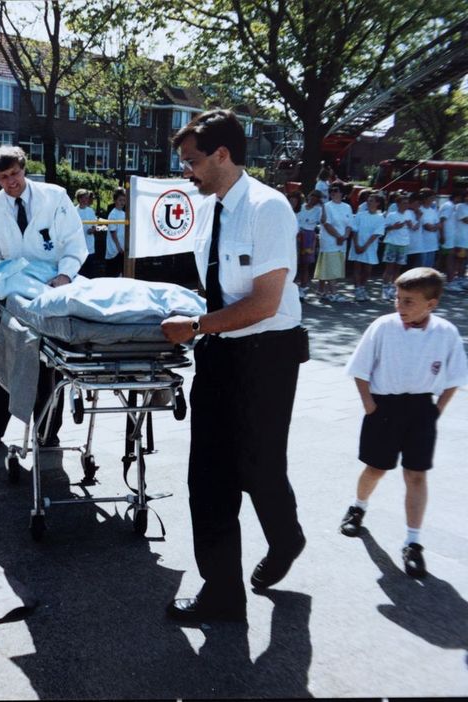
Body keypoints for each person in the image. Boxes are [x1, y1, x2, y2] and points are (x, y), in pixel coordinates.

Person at [161, 109, 307, 625]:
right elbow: (218, 288)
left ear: (223, 155)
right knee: (209, 476)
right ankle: (223, 592)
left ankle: (286, 537)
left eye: (193, 161)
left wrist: (197, 324)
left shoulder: (268, 209)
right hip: (221, 354)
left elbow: (265, 303)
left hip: (268, 355)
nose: (187, 173)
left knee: (260, 468)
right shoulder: (210, 207)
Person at [338, 268, 467, 578]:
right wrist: (370, 406)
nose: (399, 305)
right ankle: (358, 506)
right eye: (397, 298)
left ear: (431, 304)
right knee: (376, 468)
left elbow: (454, 377)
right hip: (385, 407)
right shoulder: (383, 327)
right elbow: (360, 369)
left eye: (408, 301)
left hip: (421, 407)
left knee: (416, 475)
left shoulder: (445, 333)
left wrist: (437, 410)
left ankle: (413, 542)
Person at [0, 145, 87, 454]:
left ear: (24, 168)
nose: (11, 182)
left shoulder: (55, 197)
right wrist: (4, 291)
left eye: (15, 173)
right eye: (3, 177)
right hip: (13, 295)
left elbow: (74, 242)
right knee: (5, 360)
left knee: (52, 363)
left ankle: (48, 431)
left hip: (53, 289)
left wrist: (65, 275)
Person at [316, 183, 351, 302]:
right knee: (331, 267)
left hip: (342, 242)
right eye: (332, 191)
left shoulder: (347, 207)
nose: (334, 193)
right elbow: (326, 224)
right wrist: (338, 236)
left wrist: (345, 236)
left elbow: (349, 224)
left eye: (337, 191)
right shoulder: (326, 206)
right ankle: (334, 293)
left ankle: (321, 291)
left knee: (328, 266)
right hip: (330, 241)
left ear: (342, 193)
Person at [349, 191, 386, 301]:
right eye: (368, 201)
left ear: (377, 203)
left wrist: (365, 246)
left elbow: (376, 234)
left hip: (369, 246)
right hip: (357, 244)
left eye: (371, 201)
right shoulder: (360, 215)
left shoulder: (380, 217)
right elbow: (354, 230)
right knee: (357, 267)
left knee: (367, 270)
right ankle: (358, 290)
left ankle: (362, 287)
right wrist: (356, 244)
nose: (368, 203)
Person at [380, 193, 416, 301]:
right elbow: (385, 228)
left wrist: (410, 225)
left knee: (398, 268)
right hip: (392, 243)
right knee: (389, 267)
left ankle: (394, 289)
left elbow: (413, 227)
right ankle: (385, 289)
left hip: (404, 243)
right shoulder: (392, 215)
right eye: (404, 203)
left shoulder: (410, 213)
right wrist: (394, 227)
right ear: (398, 204)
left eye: (407, 203)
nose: (406, 205)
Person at [294, 189, 321, 300]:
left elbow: (322, 221)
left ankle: (303, 288)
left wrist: (323, 206)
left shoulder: (318, 210)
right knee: (295, 262)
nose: (312, 199)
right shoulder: (301, 207)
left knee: (305, 264)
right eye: (312, 196)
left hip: (309, 235)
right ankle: (293, 287)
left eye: (316, 198)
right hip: (297, 234)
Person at [409, 189, 440, 270]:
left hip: (432, 244)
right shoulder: (420, 210)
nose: (433, 200)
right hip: (422, 245)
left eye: (434, 198)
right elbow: (427, 227)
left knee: (429, 269)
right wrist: (433, 227)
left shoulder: (433, 210)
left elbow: (439, 224)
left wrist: (434, 227)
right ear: (425, 199)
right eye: (431, 198)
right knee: (420, 268)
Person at [75, 188, 99, 278]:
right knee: (80, 271)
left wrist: (93, 229)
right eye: (83, 198)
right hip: (78, 245)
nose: (85, 200)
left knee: (90, 270)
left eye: (87, 198)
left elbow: (94, 225)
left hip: (89, 245)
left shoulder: (91, 211)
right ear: (79, 199)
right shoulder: (74, 211)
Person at [104, 187, 127, 277]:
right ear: (115, 200)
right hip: (115, 250)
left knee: (120, 274)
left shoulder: (124, 213)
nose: (122, 202)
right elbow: (113, 233)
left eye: (124, 200)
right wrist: (119, 247)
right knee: (112, 275)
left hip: (121, 249)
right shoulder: (113, 214)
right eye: (120, 200)